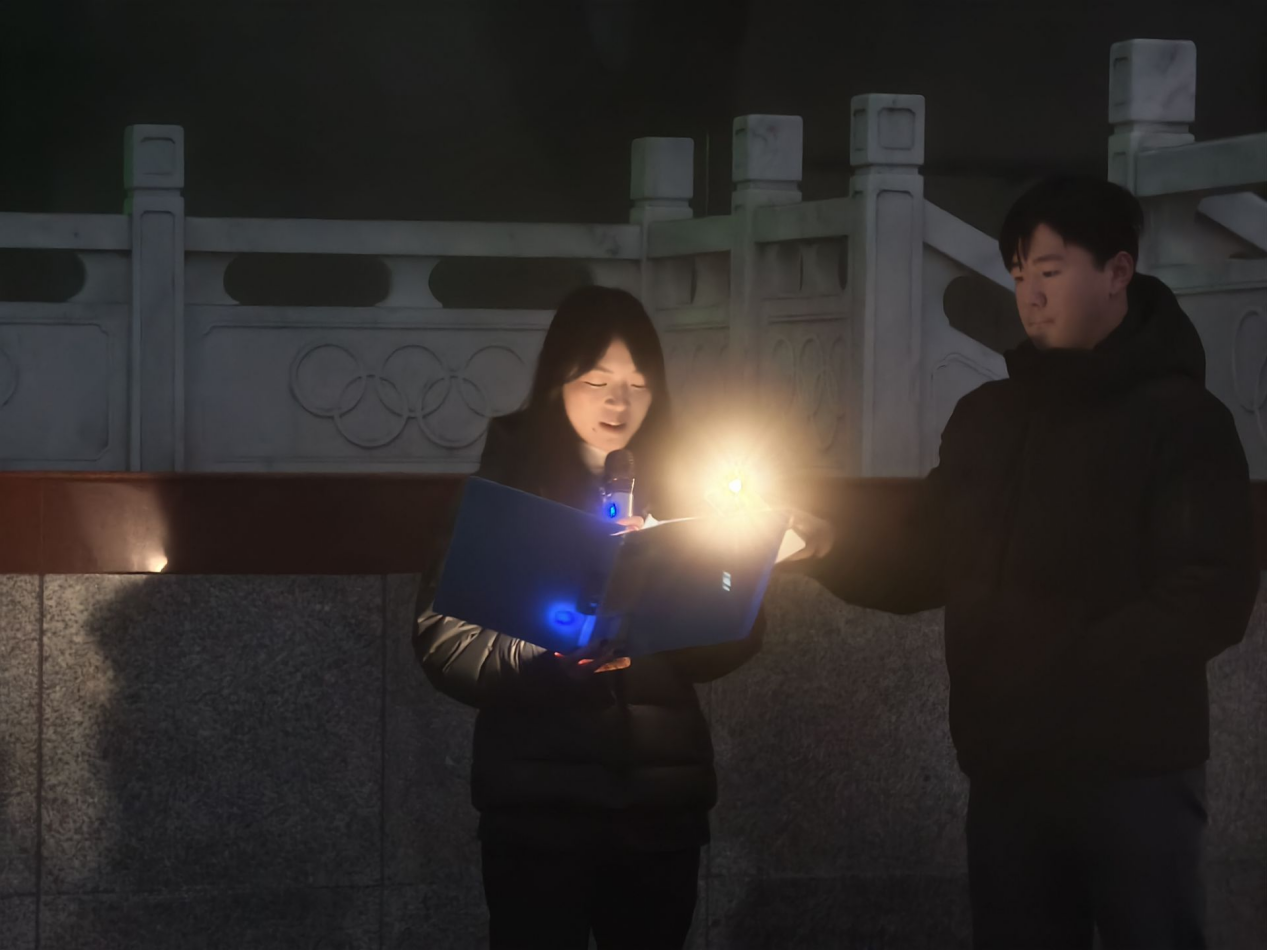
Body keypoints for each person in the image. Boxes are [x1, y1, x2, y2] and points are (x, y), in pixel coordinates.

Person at [787, 176, 1259, 949]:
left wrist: (1068, 667)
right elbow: (928, 553)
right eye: (1017, 275)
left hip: (1134, 768)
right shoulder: (989, 417)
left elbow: (1209, 593)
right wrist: (828, 545)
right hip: (1008, 767)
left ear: (1116, 271)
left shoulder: (1182, 419)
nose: (1030, 296)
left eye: (1049, 271)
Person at [414, 285, 763, 950]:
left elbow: (730, 642)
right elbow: (442, 639)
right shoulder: (503, 493)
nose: (618, 403)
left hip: (659, 807)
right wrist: (545, 658)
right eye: (597, 381)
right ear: (556, 383)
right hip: (538, 808)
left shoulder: (691, 491)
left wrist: (727, 575)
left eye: (638, 384)